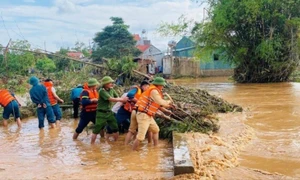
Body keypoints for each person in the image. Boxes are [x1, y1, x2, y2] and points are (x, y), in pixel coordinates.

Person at [132, 77, 173, 151]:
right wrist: (169, 102)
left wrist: (169, 106)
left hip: (148, 115)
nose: (163, 87)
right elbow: (160, 102)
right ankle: (133, 153)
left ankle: (155, 147)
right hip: (143, 115)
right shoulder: (154, 91)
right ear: (158, 85)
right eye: (162, 85)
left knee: (156, 130)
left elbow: (159, 104)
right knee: (140, 137)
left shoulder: (153, 90)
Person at [91, 76, 128, 144]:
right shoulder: (101, 91)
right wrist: (123, 100)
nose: (111, 84)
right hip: (101, 113)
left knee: (115, 128)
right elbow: (111, 99)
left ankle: (115, 144)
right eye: (110, 82)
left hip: (109, 112)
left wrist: (123, 101)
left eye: (111, 82)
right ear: (105, 84)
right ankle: (92, 145)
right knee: (96, 130)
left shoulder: (112, 90)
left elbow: (117, 97)